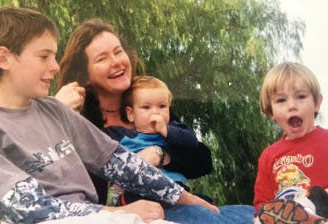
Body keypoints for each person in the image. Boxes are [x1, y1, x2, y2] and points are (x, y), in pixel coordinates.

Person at [0, 6, 219, 224]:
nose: (55, 66)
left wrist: (187, 198)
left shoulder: (53, 110)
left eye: (54, 56)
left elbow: (119, 162)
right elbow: (29, 207)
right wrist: (116, 212)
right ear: (4, 58)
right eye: (44, 56)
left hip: (93, 215)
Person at [57, 17, 255, 224]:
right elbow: (67, 197)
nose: (116, 62)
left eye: (118, 51)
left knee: (249, 213)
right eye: (102, 59)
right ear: (85, 75)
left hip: (180, 203)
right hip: (136, 212)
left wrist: (161, 155)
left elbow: (202, 162)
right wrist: (55, 112)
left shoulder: (149, 101)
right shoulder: (83, 125)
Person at [104, 75, 212, 205]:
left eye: (162, 106)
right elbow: (92, 141)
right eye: (146, 107)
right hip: (137, 191)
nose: (156, 112)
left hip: (173, 184)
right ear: (131, 114)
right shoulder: (122, 135)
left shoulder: (173, 130)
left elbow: (192, 144)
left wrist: (166, 131)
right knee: (131, 196)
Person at [253, 62, 328, 223]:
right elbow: (262, 204)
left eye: (301, 97)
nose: (292, 106)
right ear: (271, 111)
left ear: (316, 103)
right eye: (281, 100)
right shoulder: (269, 156)